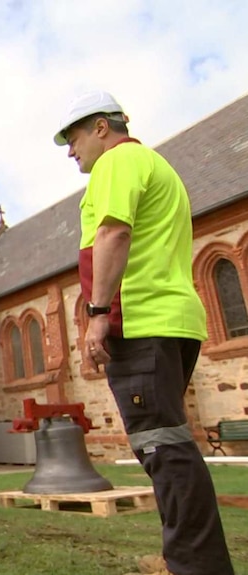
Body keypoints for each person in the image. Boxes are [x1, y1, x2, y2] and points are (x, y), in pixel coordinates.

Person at [54, 90, 234, 575]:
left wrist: (96, 314)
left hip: (141, 322)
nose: (71, 151)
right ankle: (192, 559)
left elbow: (114, 234)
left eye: (72, 138)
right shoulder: (158, 167)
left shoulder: (118, 162)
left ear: (100, 128)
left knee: (164, 449)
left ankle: (193, 566)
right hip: (176, 322)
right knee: (170, 443)